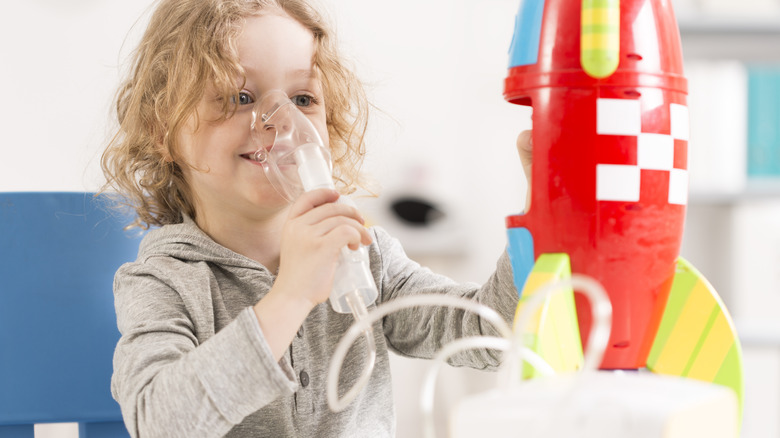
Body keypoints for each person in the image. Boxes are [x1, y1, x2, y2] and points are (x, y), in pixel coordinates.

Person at [101, 0, 531, 436]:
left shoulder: (365, 257)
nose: (282, 124)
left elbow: (493, 333)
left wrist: (546, 205)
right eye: (240, 97)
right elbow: (158, 422)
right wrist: (290, 296)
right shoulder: (164, 281)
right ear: (164, 129)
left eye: (302, 99)